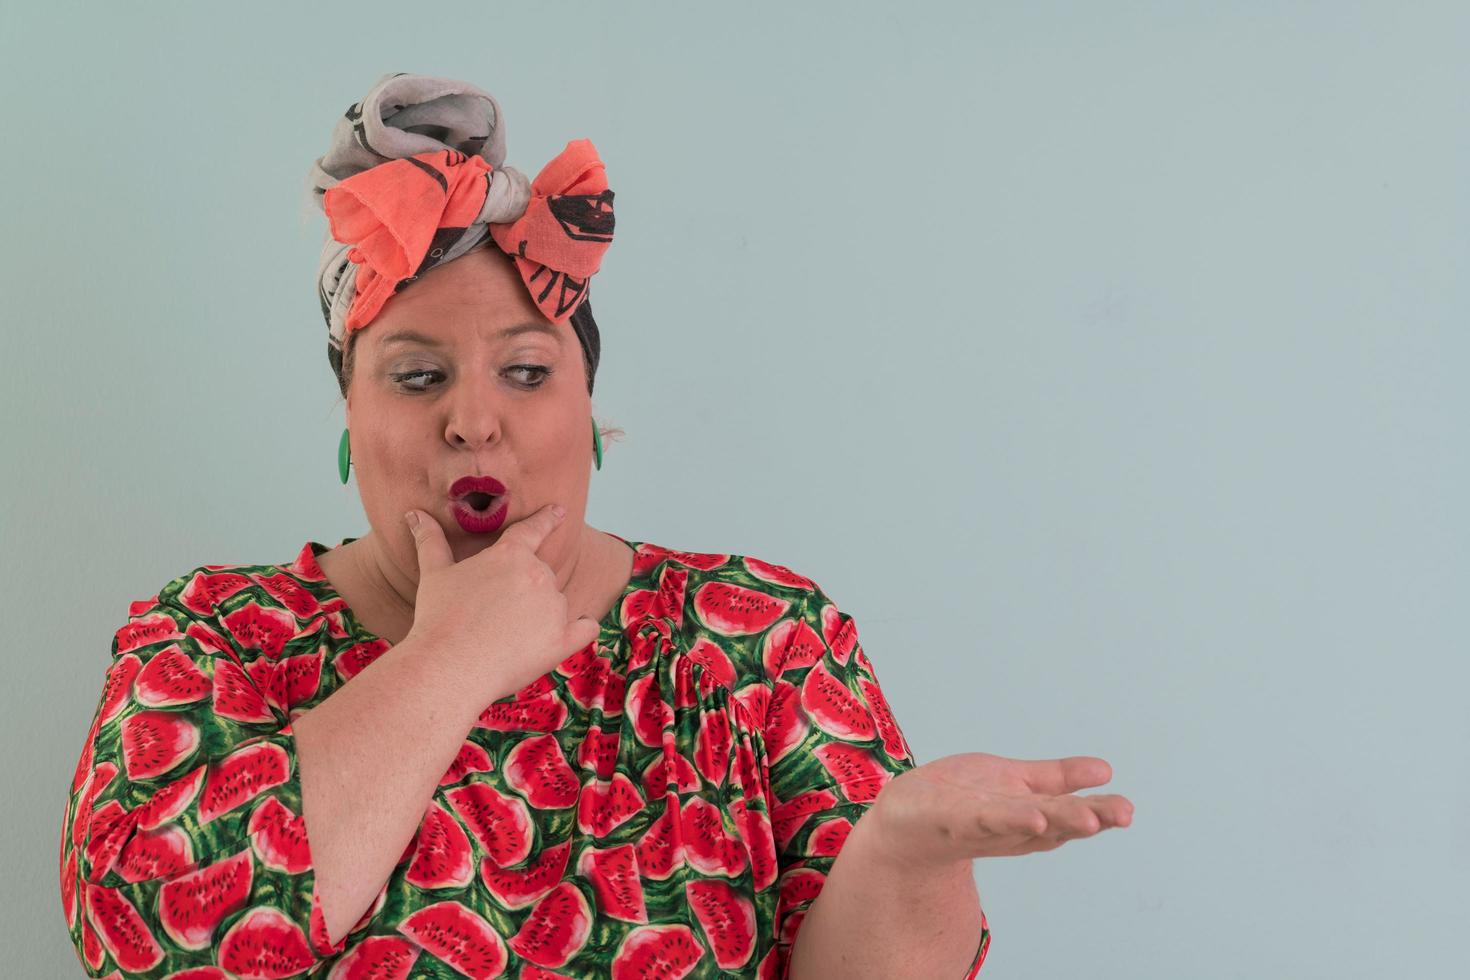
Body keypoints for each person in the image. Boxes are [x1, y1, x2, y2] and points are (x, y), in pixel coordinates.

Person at [58, 72, 1131, 979]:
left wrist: (903, 855)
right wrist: (451, 657)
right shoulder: (208, 635)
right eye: (418, 374)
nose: (474, 418)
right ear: (351, 413)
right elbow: (148, 941)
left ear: (590, 410)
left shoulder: (760, 639)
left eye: (527, 371)